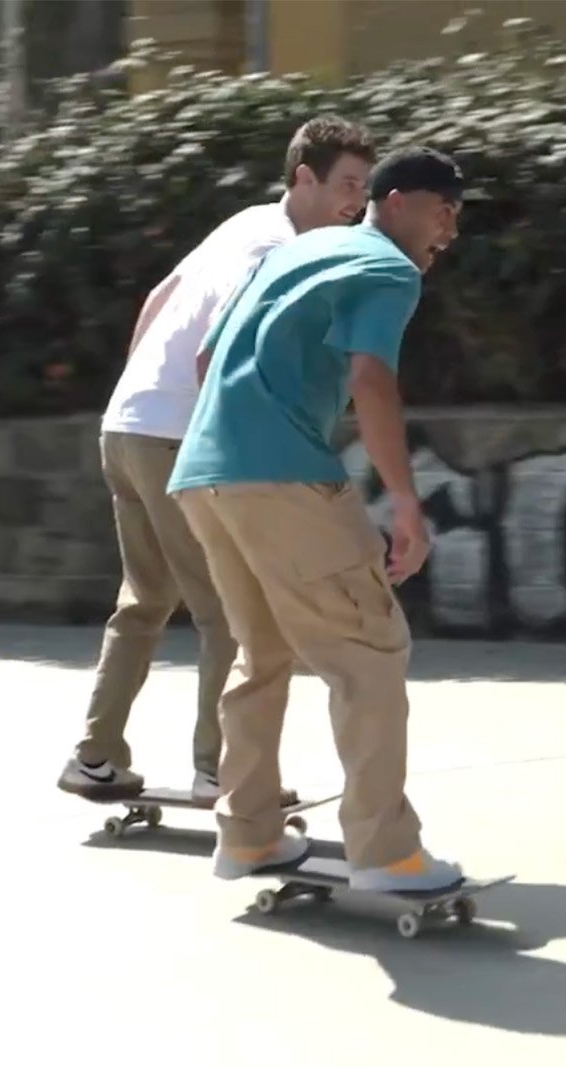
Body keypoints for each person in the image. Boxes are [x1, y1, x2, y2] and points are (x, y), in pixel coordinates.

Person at [167, 147, 467, 891]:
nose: (451, 230)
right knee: (369, 649)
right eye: (443, 209)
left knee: (261, 651)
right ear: (394, 201)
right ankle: (386, 852)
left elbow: (206, 359)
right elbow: (371, 378)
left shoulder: (296, 254)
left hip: (204, 472)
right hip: (281, 475)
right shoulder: (386, 269)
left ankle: (248, 833)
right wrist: (404, 501)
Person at [57, 116, 378, 804]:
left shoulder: (245, 222)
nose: (357, 201)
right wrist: (225, 436)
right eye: (346, 185)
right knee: (233, 612)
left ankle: (96, 757)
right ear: (304, 178)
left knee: (143, 604)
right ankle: (221, 770)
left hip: (129, 424)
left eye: (365, 187)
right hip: (176, 433)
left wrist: (137, 393)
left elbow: (156, 301)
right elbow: (218, 345)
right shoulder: (272, 246)